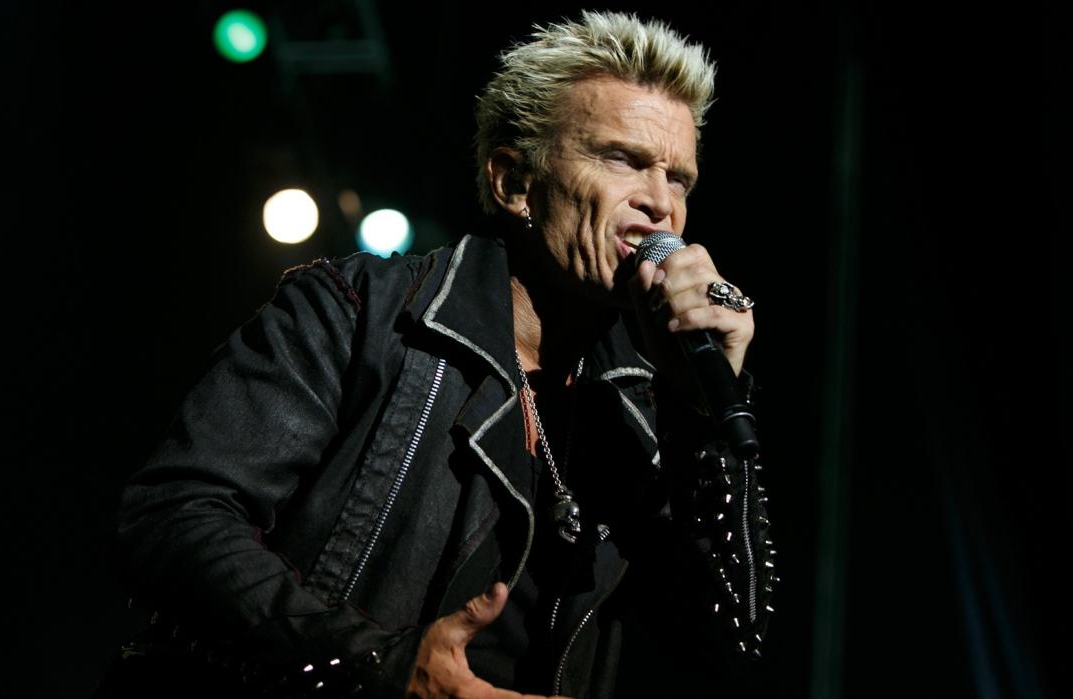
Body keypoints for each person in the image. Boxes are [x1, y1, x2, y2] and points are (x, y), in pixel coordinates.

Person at [108, 11, 775, 699]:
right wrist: (380, 668)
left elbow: (727, 643)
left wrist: (701, 403)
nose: (661, 203)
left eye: (680, 179)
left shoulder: (645, 406)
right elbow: (173, 517)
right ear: (514, 182)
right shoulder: (361, 312)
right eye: (621, 158)